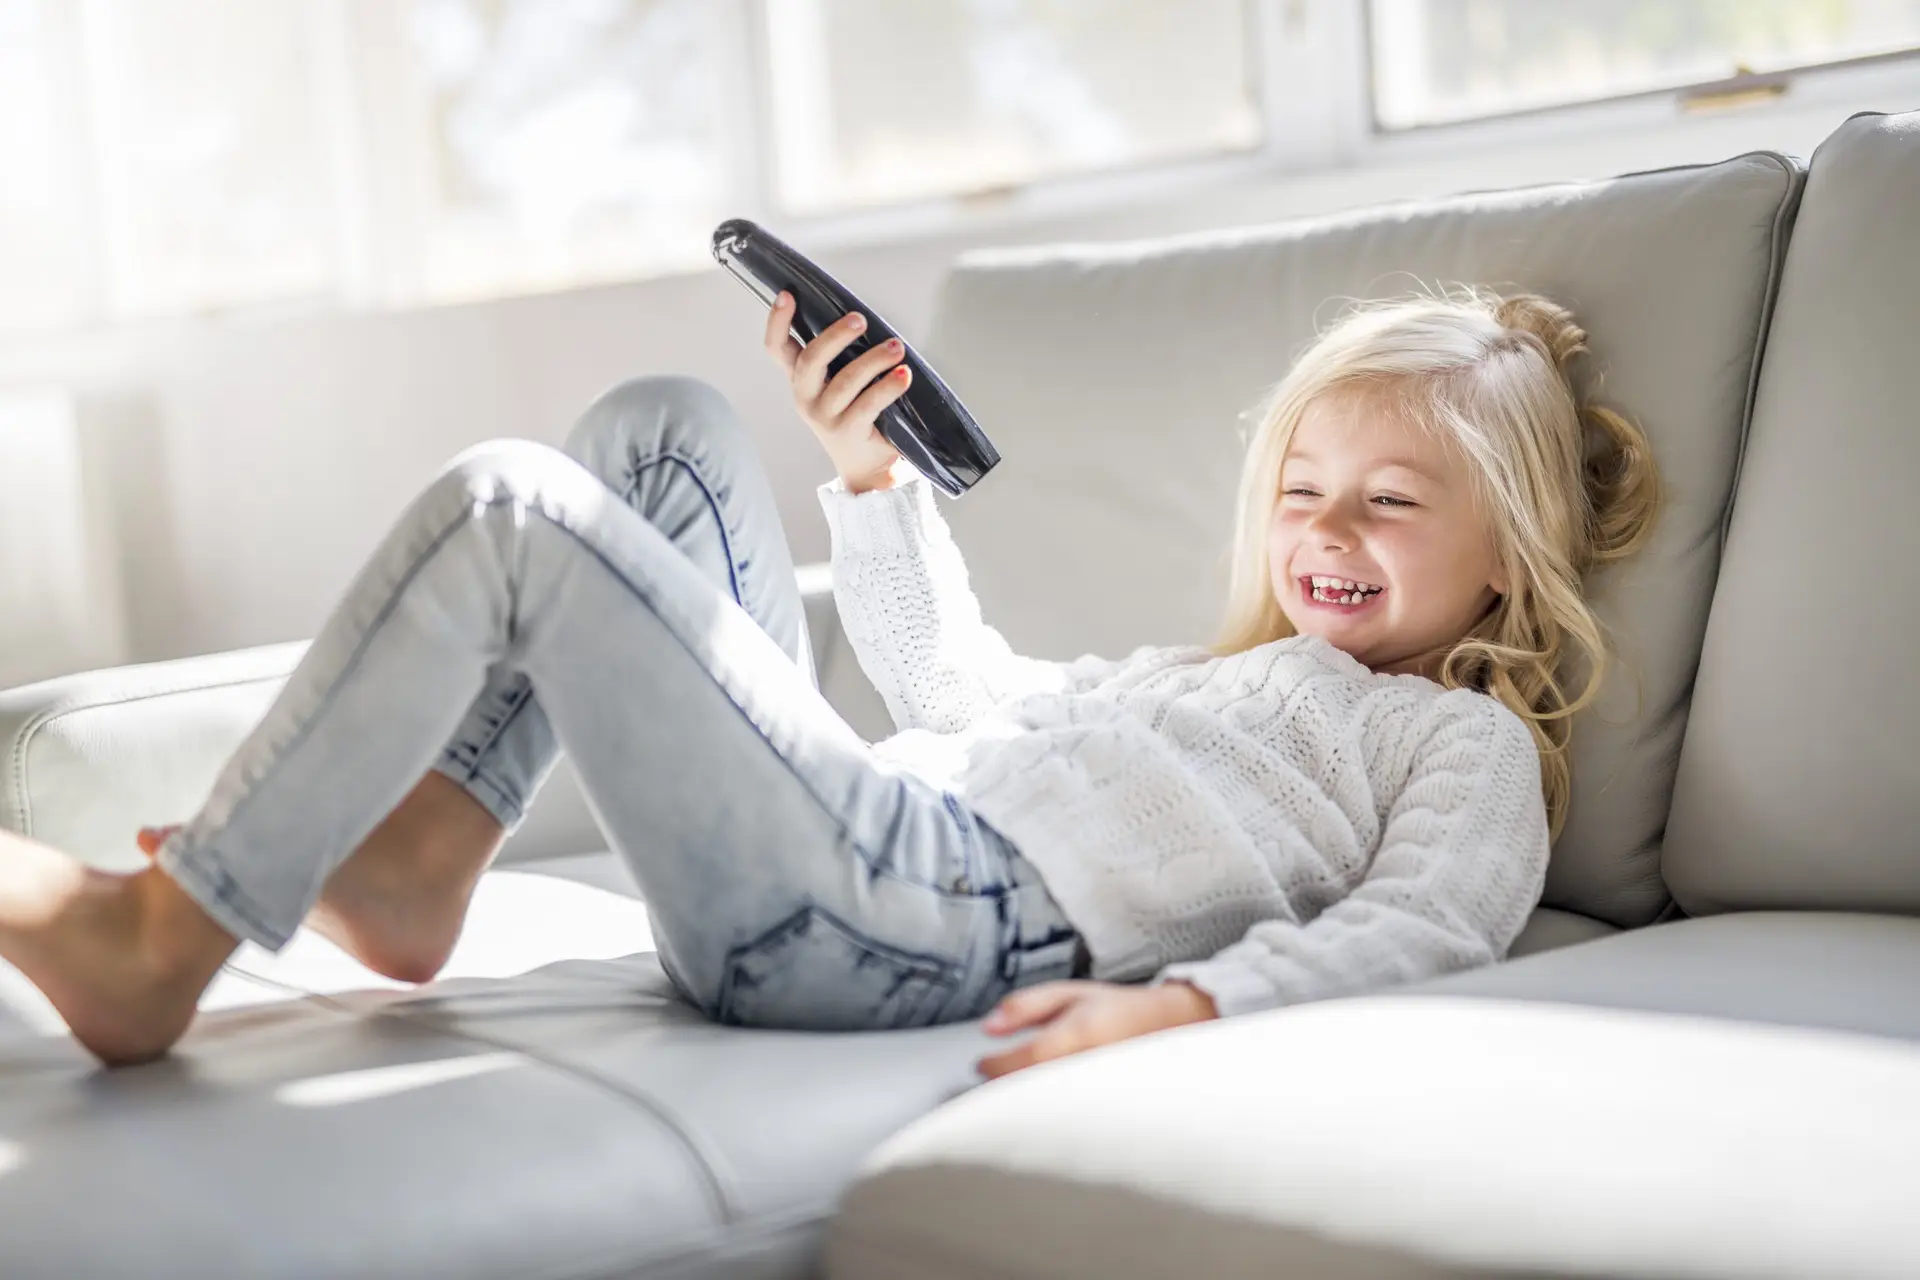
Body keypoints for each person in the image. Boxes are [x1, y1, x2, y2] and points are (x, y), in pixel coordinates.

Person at [0, 283, 1658, 1070]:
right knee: (662, 432)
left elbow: (1421, 932)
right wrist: (871, 476)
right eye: (1303, 493)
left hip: (921, 917)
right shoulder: (1197, 683)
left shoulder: (1458, 747)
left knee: (517, 510)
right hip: (879, 842)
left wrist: (1178, 1004)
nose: (1327, 533)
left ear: (1505, 549)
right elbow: (956, 684)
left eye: (1388, 503)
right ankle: (433, 849)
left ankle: (164, 936)